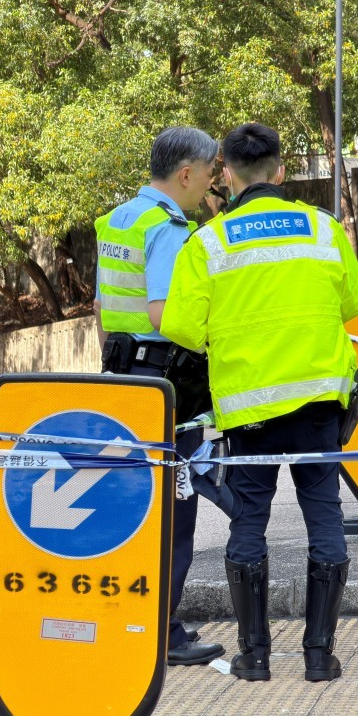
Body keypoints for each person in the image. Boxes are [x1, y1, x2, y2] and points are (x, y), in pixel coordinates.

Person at [158, 122, 358, 683]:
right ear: (280, 171)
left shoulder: (208, 241)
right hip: (319, 406)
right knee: (324, 518)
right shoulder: (323, 231)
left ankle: (254, 658)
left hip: (249, 411)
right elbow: (355, 303)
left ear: (226, 172)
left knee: (248, 524)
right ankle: (319, 658)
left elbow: (181, 327)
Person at [93, 126, 225, 667]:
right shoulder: (170, 228)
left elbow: (103, 308)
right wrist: (214, 340)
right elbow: (161, 313)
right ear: (186, 173)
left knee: (132, 507)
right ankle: (164, 631)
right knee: (176, 508)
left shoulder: (119, 218)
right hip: (169, 383)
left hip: (125, 378)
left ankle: (131, 622)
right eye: (210, 175)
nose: (212, 186)